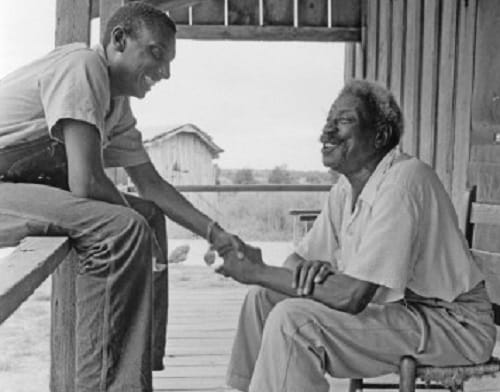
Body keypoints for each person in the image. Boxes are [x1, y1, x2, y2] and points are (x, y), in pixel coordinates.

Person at [0, 2, 238, 391]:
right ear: (118, 40)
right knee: (123, 227)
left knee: (147, 214)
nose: (165, 72)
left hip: (14, 187)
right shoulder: (83, 66)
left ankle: (137, 368)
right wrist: (139, 227)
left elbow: (152, 186)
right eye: (157, 54)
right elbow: (87, 182)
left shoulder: (116, 106)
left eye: (169, 62)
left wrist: (216, 233)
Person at [217, 80, 497, 392]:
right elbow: (297, 260)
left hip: (453, 324)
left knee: (295, 321)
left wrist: (257, 271)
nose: (327, 133)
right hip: (405, 312)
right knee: (263, 298)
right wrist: (313, 273)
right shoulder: (346, 189)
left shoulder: (403, 183)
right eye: (328, 122)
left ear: (379, 136)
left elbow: (351, 297)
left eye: (344, 121)